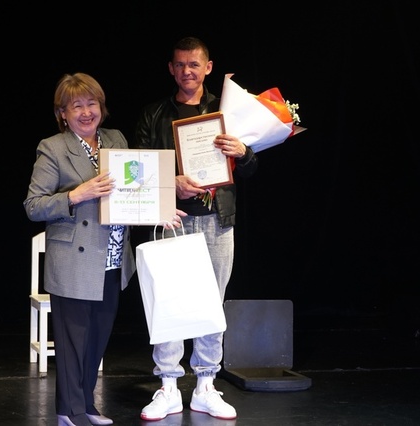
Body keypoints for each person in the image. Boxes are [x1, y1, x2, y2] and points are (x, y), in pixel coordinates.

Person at [23, 72, 185, 426]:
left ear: (102, 106)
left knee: (96, 339)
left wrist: (161, 209)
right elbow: (33, 206)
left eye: (91, 103)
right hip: (74, 260)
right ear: (62, 113)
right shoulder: (52, 148)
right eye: (76, 106)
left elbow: (137, 190)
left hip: (113, 259)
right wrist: (75, 195)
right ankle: (69, 411)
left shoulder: (115, 140)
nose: (86, 112)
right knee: (73, 342)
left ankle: (86, 405)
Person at [132, 37, 259, 421]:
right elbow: (138, 172)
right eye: (180, 64)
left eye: (194, 64)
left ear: (208, 68)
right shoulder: (153, 114)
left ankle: (205, 384)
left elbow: (250, 169)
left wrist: (244, 152)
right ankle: (168, 386)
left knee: (211, 304)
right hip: (172, 219)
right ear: (171, 69)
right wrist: (171, 182)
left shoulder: (226, 113)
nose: (187, 71)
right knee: (168, 302)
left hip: (217, 220)